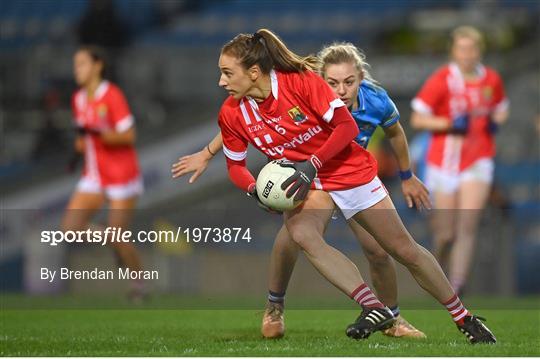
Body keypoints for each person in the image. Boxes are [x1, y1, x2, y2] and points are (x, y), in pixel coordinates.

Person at [175, 29, 496, 344]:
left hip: (346, 168)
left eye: (227, 73)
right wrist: (254, 190)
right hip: (309, 184)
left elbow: (346, 127)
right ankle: (373, 306)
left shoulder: (299, 83)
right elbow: (236, 167)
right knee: (301, 234)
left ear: (254, 72)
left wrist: (313, 164)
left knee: (402, 249)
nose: (221, 81)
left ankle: (463, 316)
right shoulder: (232, 112)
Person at [410, 26, 510, 296]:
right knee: (446, 234)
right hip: (443, 162)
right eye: (462, 49)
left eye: (472, 48)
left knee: (468, 225)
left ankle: (456, 287)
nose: (467, 54)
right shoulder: (442, 79)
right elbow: (418, 118)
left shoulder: (491, 79)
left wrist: (493, 122)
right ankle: (437, 274)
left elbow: (501, 110)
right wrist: (448, 123)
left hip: (478, 159)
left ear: (480, 51)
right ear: (453, 52)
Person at [61, 45, 145, 301]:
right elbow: (82, 137)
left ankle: (138, 285)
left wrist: (100, 134)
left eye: (82, 64)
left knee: (119, 236)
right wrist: (76, 153)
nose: (77, 69)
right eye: (76, 65)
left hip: (121, 175)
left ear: (97, 65)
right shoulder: (78, 99)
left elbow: (129, 135)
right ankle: (111, 238)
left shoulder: (111, 94)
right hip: (94, 175)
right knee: (70, 228)